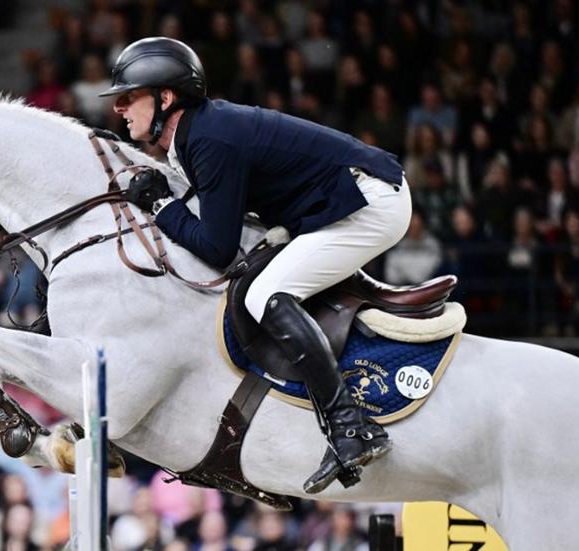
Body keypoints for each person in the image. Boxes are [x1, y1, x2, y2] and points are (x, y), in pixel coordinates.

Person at [100, 37, 412, 493]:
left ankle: (350, 427)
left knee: (267, 293)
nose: (119, 108)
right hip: (339, 202)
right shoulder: (194, 136)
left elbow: (216, 248)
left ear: (165, 98)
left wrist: (163, 207)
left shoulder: (208, 138)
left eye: (129, 97)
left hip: (369, 203)